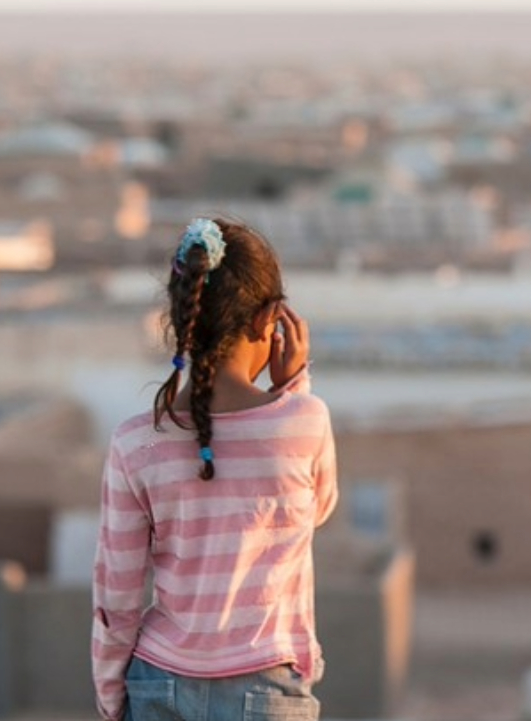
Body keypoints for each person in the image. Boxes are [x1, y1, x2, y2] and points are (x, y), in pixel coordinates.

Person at [91, 217, 338, 721]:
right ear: (270, 319)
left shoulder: (135, 442)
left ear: (183, 317)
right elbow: (317, 510)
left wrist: (113, 695)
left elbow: (116, 594)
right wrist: (292, 390)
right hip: (265, 688)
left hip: (157, 683)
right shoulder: (304, 422)